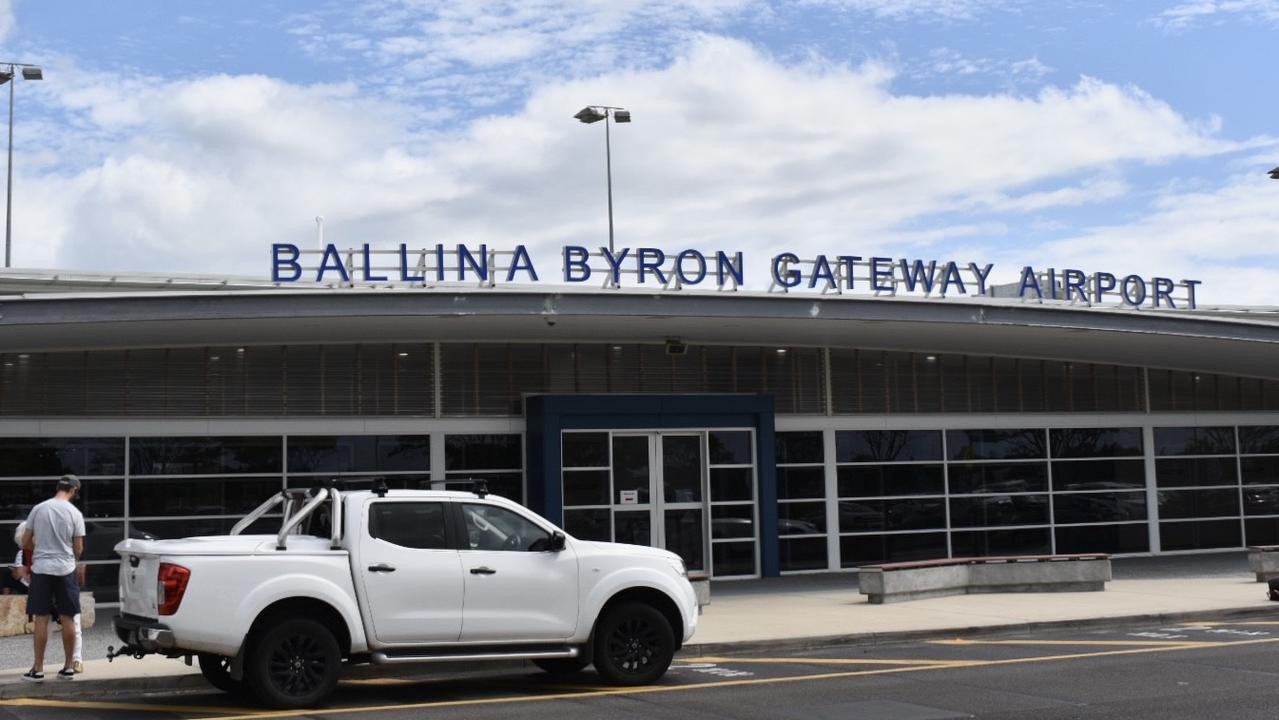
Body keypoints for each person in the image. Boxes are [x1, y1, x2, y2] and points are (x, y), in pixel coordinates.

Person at [19, 475, 86, 683]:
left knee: (41, 618)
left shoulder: (39, 509)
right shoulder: (75, 513)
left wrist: (39, 550)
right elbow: (78, 548)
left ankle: (37, 669)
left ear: (58, 487)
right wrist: (71, 559)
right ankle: (67, 668)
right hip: (65, 569)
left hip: (41, 568)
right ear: (74, 491)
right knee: (68, 617)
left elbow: (24, 541)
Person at [11, 522, 83, 674]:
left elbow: (74, 562)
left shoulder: (54, 547)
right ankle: (39, 664)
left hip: (61, 589)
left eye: (27, 543)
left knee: (72, 623)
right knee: (43, 627)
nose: (26, 547)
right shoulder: (25, 551)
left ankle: (76, 660)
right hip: (43, 591)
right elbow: (23, 571)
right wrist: (24, 575)